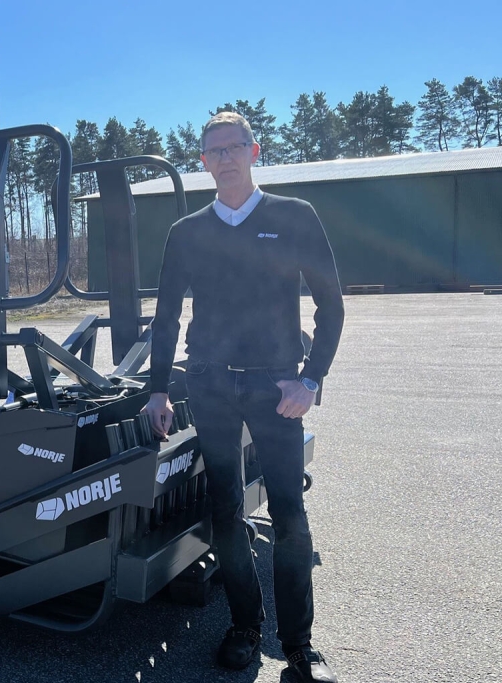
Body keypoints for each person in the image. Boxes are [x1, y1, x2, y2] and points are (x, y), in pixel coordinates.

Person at [142, 112, 344, 683]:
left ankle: (299, 644)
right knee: (226, 510)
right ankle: (245, 628)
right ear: (202, 161)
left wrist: (310, 378)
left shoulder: (293, 217)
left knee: (288, 514)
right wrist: (159, 387)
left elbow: (331, 303)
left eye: (235, 147)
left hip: (275, 386)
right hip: (209, 383)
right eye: (214, 150)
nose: (225, 158)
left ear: (255, 152)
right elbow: (163, 318)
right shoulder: (186, 233)